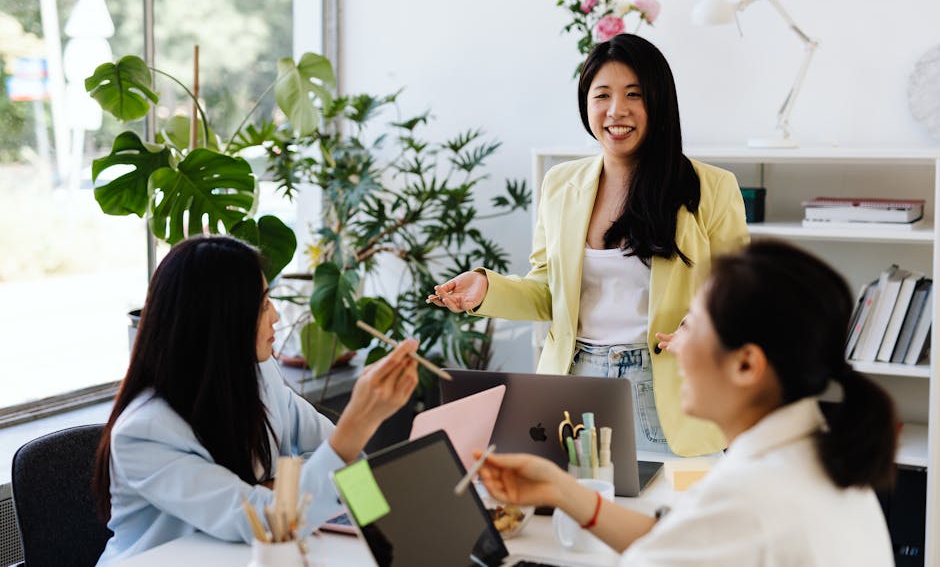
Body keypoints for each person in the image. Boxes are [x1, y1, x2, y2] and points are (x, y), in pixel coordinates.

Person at [477, 240, 897, 566]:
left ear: (747, 364)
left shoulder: (748, 500)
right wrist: (561, 489)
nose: (673, 348)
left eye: (691, 325)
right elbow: (675, 539)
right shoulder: (818, 454)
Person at [430, 33, 748, 456]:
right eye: (602, 95)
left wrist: (699, 326)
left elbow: (741, 293)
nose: (617, 111)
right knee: (567, 514)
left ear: (659, 102)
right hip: (572, 385)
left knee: (664, 515)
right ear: (586, 104)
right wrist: (487, 291)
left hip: (666, 391)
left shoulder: (712, 187)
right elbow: (548, 294)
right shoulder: (560, 184)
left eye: (634, 95)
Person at [93, 235, 419, 565]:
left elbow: (350, 469)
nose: (275, 316)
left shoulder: (262, 377)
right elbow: (266, 523)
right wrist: (356, 425)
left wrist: (385, 533)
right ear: (222, 321)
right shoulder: (145, 432)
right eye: (263, 304)